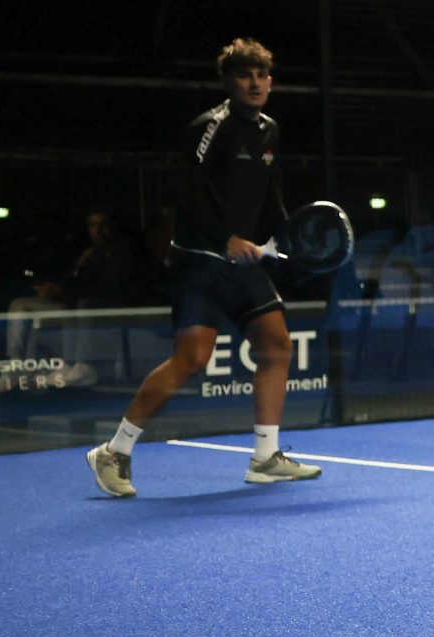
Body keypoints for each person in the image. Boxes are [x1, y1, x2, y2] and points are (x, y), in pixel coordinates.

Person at [85, 38, 322, 497]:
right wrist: (225, 239)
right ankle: (113, 451)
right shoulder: (211, 126)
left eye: (262, 75)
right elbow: (185, 190)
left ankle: (266, 458)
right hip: (199, 262)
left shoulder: (269, 131)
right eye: (244, 75)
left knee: (276, 345)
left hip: (242, 265)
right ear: (228, 82)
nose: (254, 83)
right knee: (191, 359)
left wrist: (285, 235)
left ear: (270, 81)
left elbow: (267, 192)